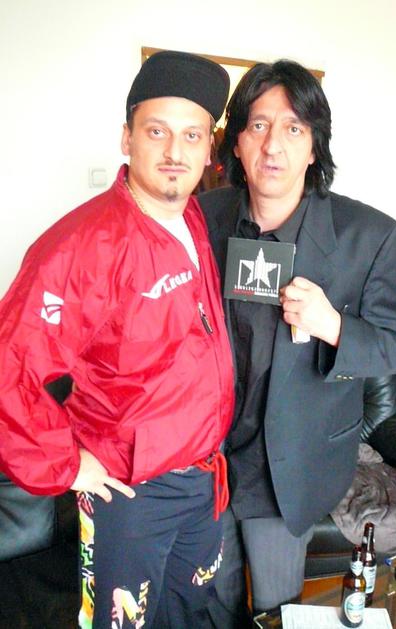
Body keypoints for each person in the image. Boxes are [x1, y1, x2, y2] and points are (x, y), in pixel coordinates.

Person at [0, 50, 234, 629]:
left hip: (204, 479)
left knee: (189, 613)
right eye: (157, 131)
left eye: (192, 135)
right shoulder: (81, 246)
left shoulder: (194, 219)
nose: (175, 151)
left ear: (208, 148)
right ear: (127, 139)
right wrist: (66, 465)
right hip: (129, 495)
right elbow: (10, 366)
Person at [198, 59, 396, 626]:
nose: (273, 144)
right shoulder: (203, 217)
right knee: (208, 605)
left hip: (288, 470)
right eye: (258, 125)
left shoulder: (370, 236)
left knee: (273, 612)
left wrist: (334, 325)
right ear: (237, 144)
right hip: (203, 459)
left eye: (293, 128)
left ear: (314, 147)